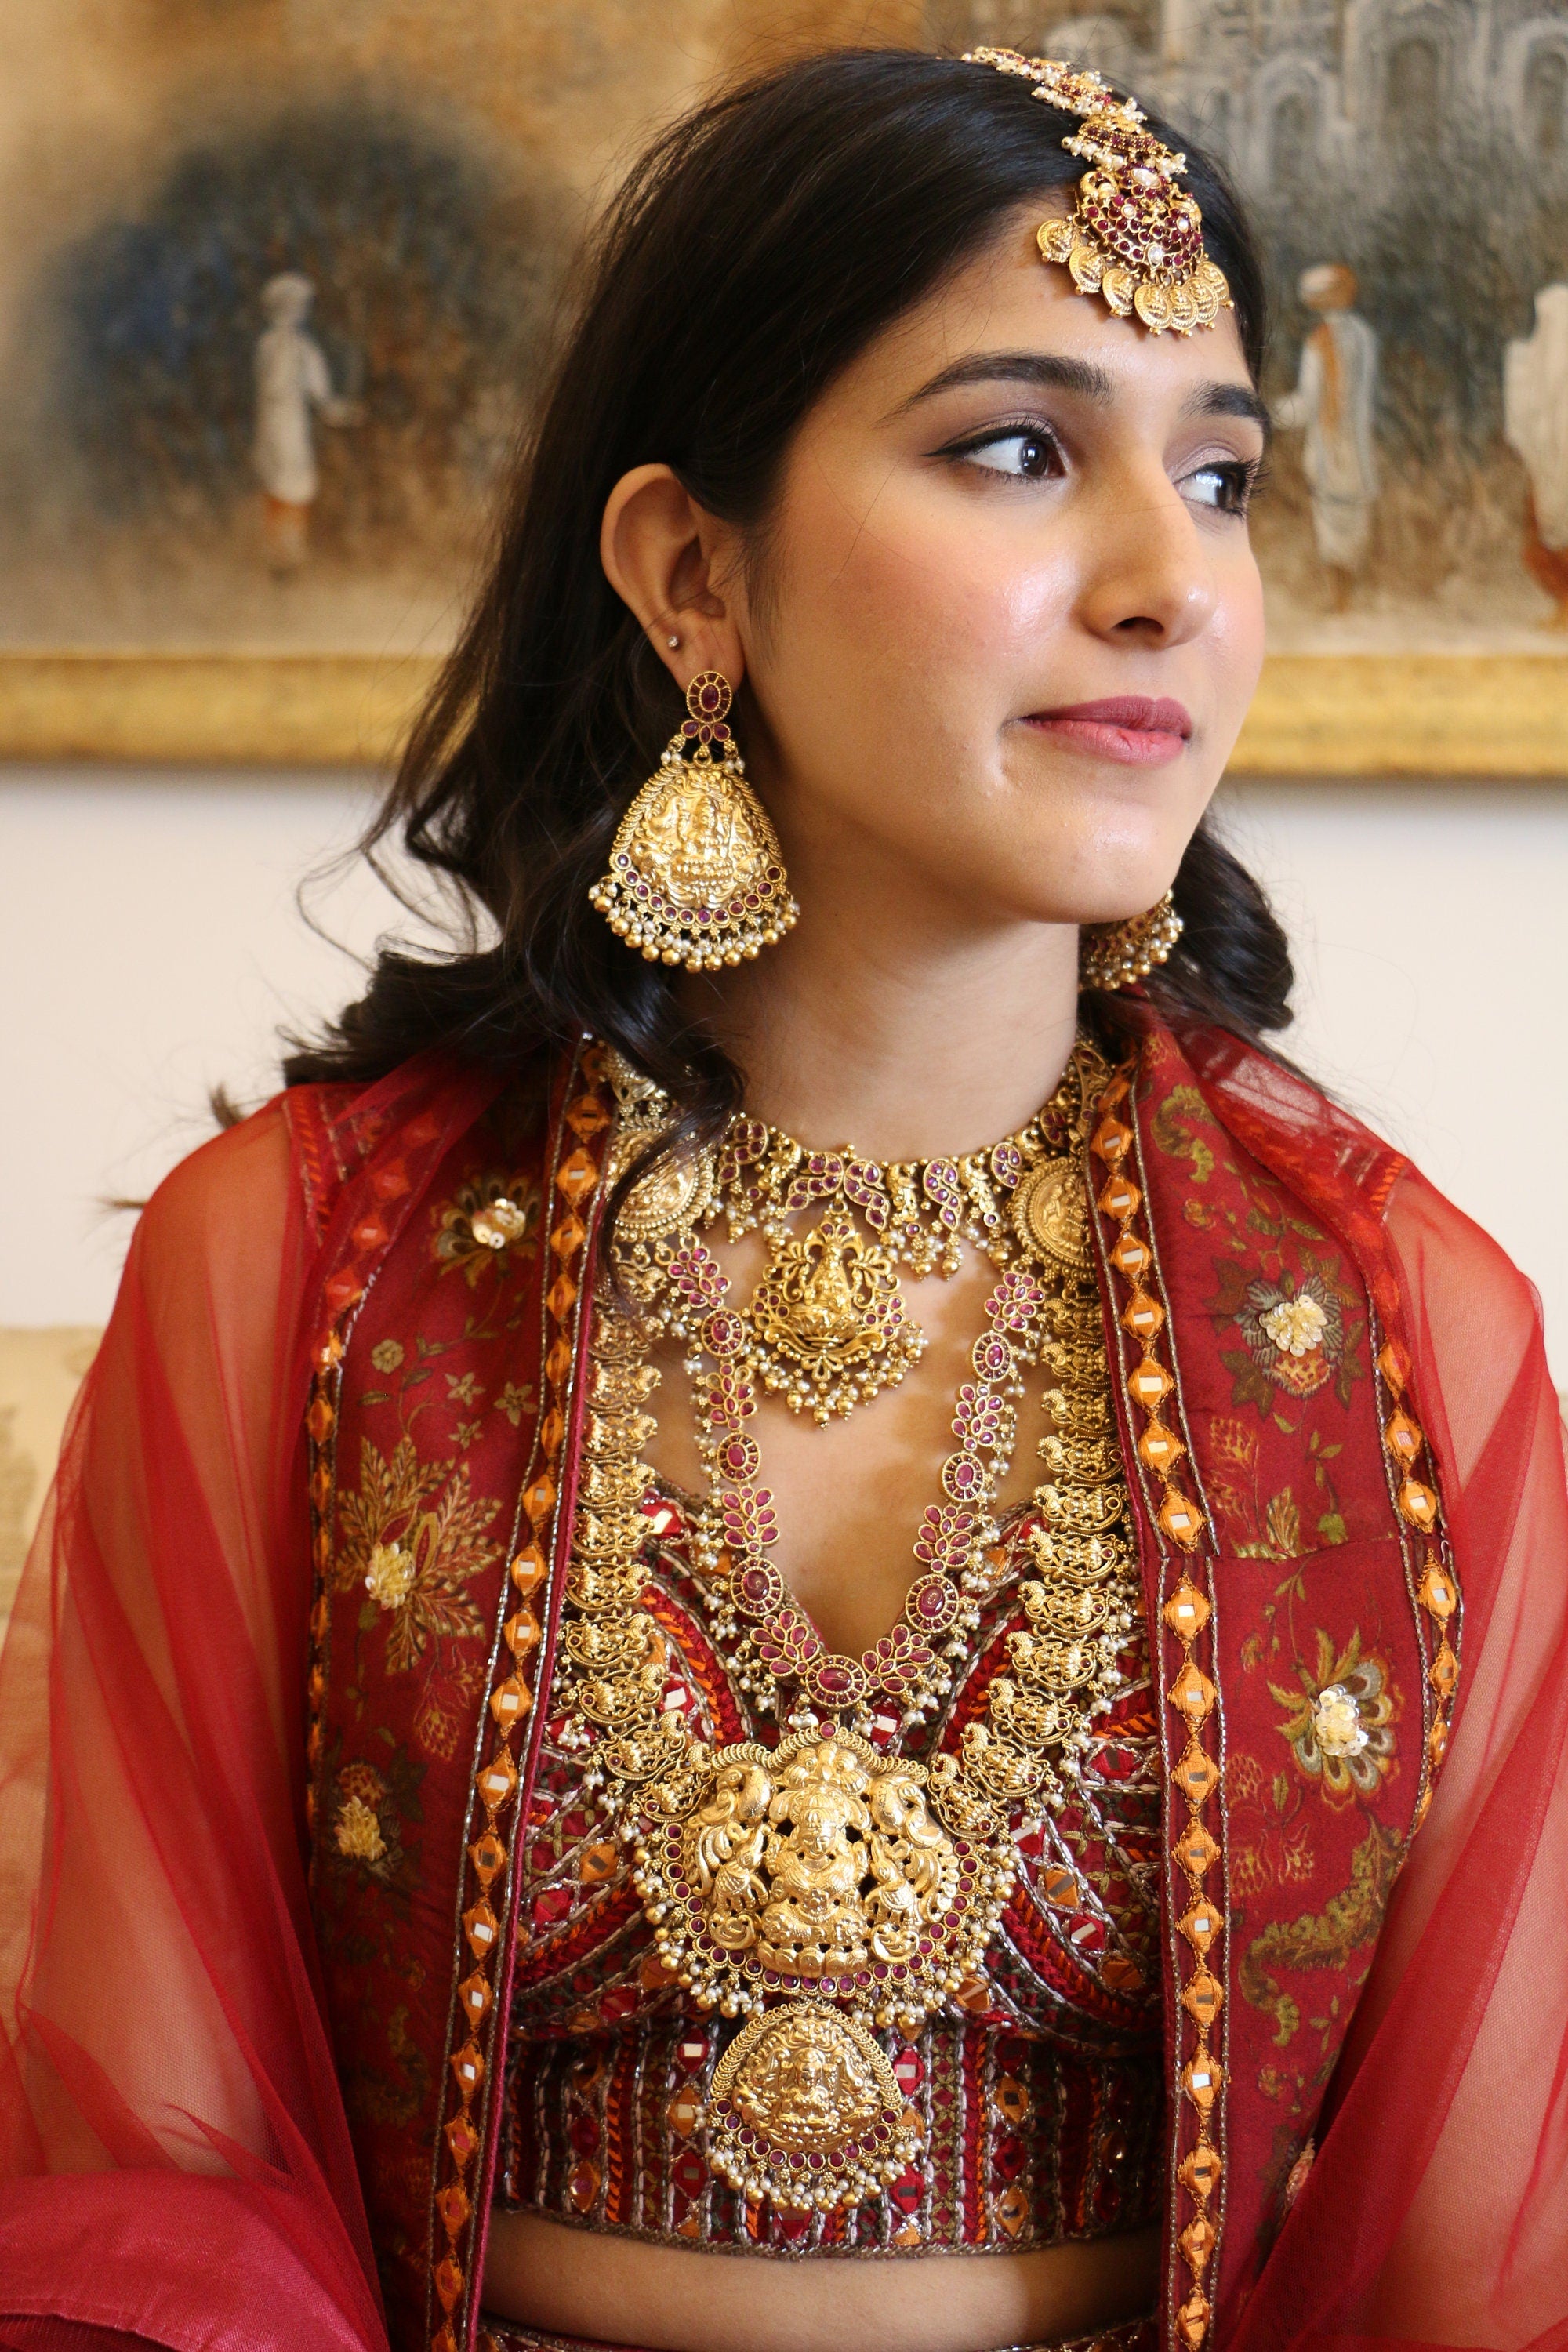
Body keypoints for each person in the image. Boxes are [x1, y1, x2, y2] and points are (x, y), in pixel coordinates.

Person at [2, 45, 1565, 2352]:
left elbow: (1475, 2256)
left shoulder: (1391, 1323)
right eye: (1020, 448)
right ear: (690, 565)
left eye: (1222, 477)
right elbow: (161, 2177)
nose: (1171, 582)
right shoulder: (304, 1265)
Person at [1272, 263, 1379, 613]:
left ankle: (1340, 599)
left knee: (1332, 519)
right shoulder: (1365, 336)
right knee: (1355, 516)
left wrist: (1270, 413)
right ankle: (1350, 596)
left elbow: (1308, 403)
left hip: (1330, 447)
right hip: (1360, 445)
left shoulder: (1319, 342)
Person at [252, 271, 361, 574]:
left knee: (292, 490)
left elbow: (323, 400)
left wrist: (346, 412)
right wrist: (341, 411)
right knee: (283, 490)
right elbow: (318, 399)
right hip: (278, 431)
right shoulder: (285, 348)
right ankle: (281, 561)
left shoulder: (296, 349)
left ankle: (288, 561)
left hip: (288, 430)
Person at [1504, 281, 1568, 629]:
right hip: (1549, 463)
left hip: (1559, 464)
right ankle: (1564, 606)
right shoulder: (1545, 369)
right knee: (1543, 534)